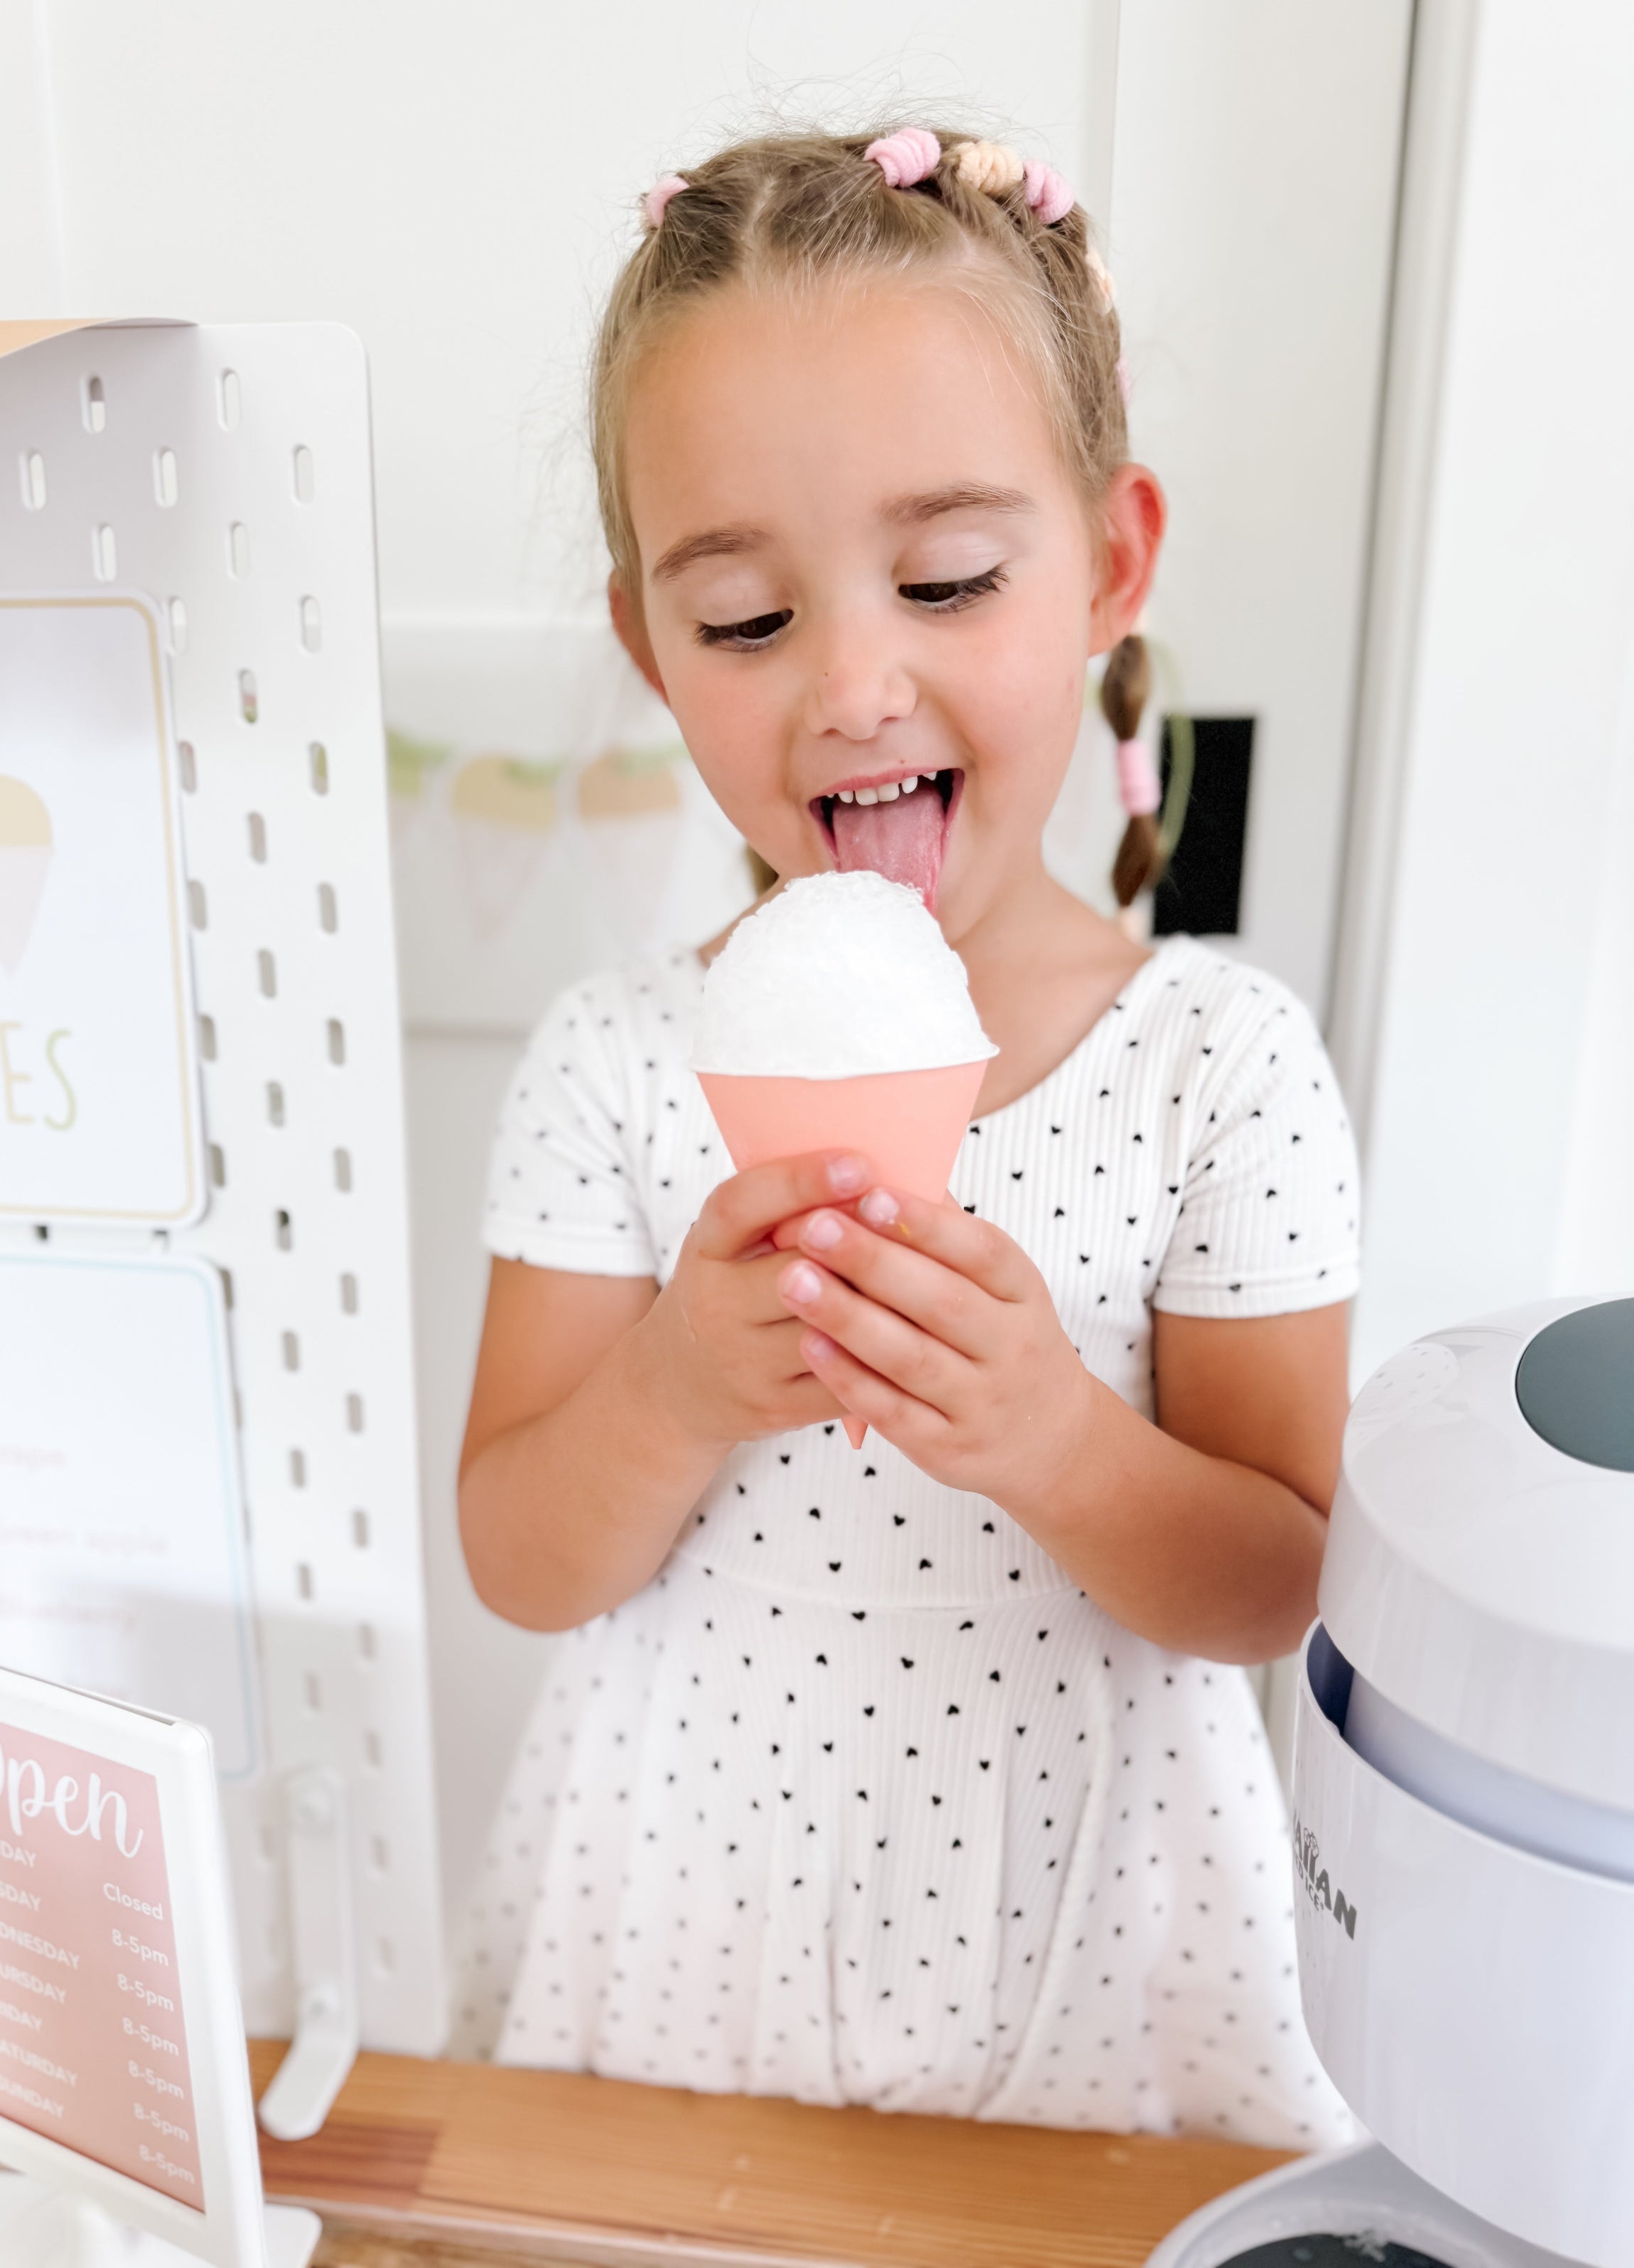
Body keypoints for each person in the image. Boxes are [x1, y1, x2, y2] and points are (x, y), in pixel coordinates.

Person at [450, 124, 1358, 2147]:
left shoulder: (1217, 1067)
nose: (856, 686)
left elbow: (1282, 1578)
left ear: (1113, 561)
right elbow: (518, 1554)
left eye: (947, 579)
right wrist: (676, 1389)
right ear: (648, 645)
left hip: (1092, 1956)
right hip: (686, 1931)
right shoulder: (619, 1061)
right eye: (748, 621)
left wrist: (1051, 1434)